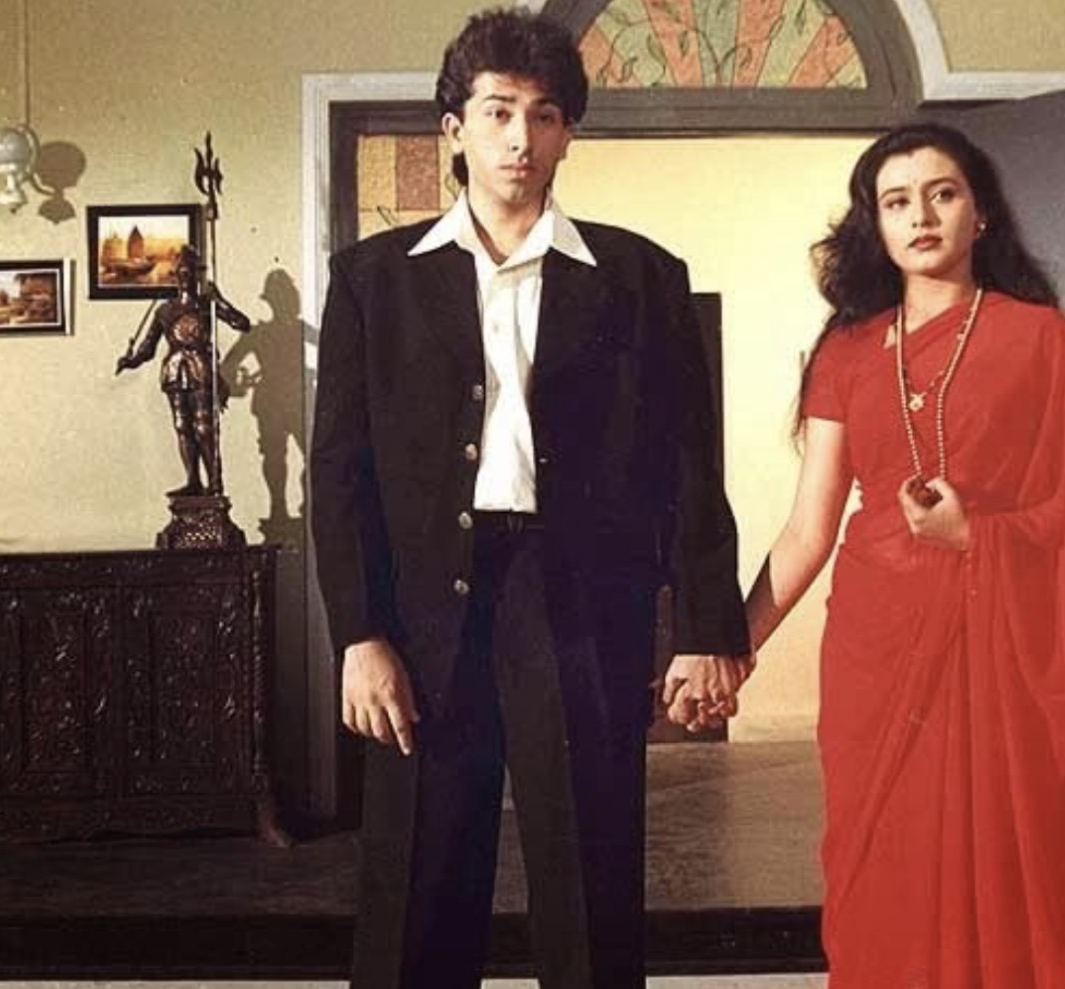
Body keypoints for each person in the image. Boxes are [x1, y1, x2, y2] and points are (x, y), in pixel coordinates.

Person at [309, 9, 751, 989]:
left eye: (544, 115)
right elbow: (339, 473)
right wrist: (359, 633)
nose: (520, 137)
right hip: (424, 616)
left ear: (567, 134)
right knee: (417, 882)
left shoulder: (640, 279)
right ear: (454, 128)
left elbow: (688, 466)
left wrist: (704, 628)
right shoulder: (373, 282)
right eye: (498, 111)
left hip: (580, 607)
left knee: (592, 879)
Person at [740, 123, 1065, 987]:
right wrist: (736, 644)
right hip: (877, 644)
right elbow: (808, 527)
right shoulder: (846, 350)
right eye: (896, 201)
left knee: (999, 855)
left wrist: (977, 537)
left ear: (980, 212)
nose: (920, 215)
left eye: (942, 193)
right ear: (874, 225)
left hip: (1002, 644)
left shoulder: (1041, 338)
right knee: (883, 861)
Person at [116, 244, 251, 497]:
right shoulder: (165, 310)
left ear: (198, 274)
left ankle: (215, 482)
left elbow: (243, 324)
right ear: (175, 275)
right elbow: (148, 347)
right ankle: (193, 480)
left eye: (190, 272)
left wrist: (221, 301)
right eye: (181, 272)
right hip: (175, 369)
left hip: (201, 367)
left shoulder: (207, 304)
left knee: (203, 426)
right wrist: (131, 361)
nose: (186, 277)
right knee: (182, 425)